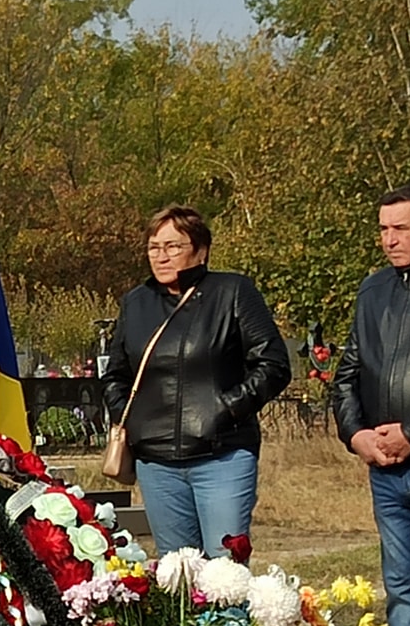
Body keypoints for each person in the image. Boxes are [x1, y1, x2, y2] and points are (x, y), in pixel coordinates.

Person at [100, 206, 290, 557]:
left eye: (172, 246)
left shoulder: (232, 292)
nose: (161, 256)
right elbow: (115, 375)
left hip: (222, 456)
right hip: (156, 462)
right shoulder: (136, 303)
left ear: (200, 250)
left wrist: (224, 410)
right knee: (179, 573)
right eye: (154, 247)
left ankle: (231, 616)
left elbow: (273, 364)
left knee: (224, 571)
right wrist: (132, 419)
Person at [333, 184, 410, 626]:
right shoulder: (373, 292)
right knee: (404, 588)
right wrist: (356, 434)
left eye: (402, 228)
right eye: (384, 229)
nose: (390, 239)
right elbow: (347, 373)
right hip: (386, 471)